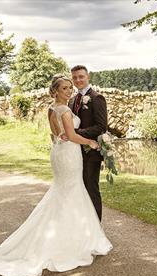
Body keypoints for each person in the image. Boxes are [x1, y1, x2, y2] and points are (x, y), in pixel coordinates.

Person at [0, 74, 112, 276]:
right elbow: (71, 136)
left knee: (63, 193)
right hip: (70, 153)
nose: (69, 91)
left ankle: (68, 235)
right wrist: (90, 143)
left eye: (69, 88)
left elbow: (57, 135)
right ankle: (69, 242)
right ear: (55, 90)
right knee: (71, 192)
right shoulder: (64, 109)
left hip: (59, 152)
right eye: (64, 88)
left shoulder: (51, 109)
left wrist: (65, 137)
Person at [68, 65, 107, 221]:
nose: (78, 80)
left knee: (91, 189)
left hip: (91, 153)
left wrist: (75, 133)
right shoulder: (72, 100)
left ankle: (96, 228)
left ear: (88, 77)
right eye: (75, 77)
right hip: (74, 152)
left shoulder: (97, 98)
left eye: (81, 76)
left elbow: (101, 127)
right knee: (79, 189)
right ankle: (83, 226)